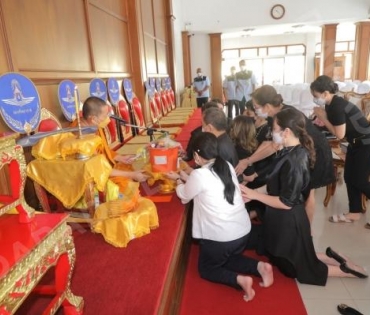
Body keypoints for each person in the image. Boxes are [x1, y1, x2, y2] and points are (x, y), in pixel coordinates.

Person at [240, 108, 368, 285]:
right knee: (289, 258)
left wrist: (255, 195)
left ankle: (347, 271)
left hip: (289, 218)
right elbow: (275, 186)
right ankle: (332, 257)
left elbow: (286, 202)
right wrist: (251, 193)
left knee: (299, 270)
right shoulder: (286, 150)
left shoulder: (295, 160)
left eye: (274, 129)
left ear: (286, 132)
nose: (272, 134)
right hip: (281, 217)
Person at [167, 132, 274, 301]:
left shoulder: (199, 175)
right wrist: (183, 176)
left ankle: (239, 280)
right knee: (226, 258)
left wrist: (178, 182)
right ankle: (260, 267)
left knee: (207, 268)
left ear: (196, 155)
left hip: (222, 237)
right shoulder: (226, 166)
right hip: (243, 231)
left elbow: (185, 195)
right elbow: (205, 185)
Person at [235, 85, 335, 226]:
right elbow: (268, 142)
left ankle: (306, 231)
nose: (255, 111)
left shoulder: (284, 115)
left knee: (308, 192)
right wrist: (248, 161)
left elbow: (273, 146)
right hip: (302, 148)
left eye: (256, 107)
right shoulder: (273, 115)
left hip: (315, 149)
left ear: (268, 105)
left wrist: (248, 161)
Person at [77, 96, 159, 247]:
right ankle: (112, 216)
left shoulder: (94, 127)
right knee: (128, 192)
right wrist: (132, 176)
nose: (108, 119)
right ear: (93, 118)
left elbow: (104, 152)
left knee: (130, 167)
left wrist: (121, 157)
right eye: (105, 116)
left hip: (104, 168)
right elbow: (98, 171)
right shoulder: (82, 137)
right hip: (94, 176)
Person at [311, 75, 370, 225]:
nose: (314, 99)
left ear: (325, 93)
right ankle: (354, 212)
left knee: (360, 181)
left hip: (366, 144)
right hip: (355, 143)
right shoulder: (331, 104)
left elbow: (339, 135)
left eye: (315, 96)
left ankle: (354, 212)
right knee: (350, 177)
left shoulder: (336, 106)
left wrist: (323, 118)